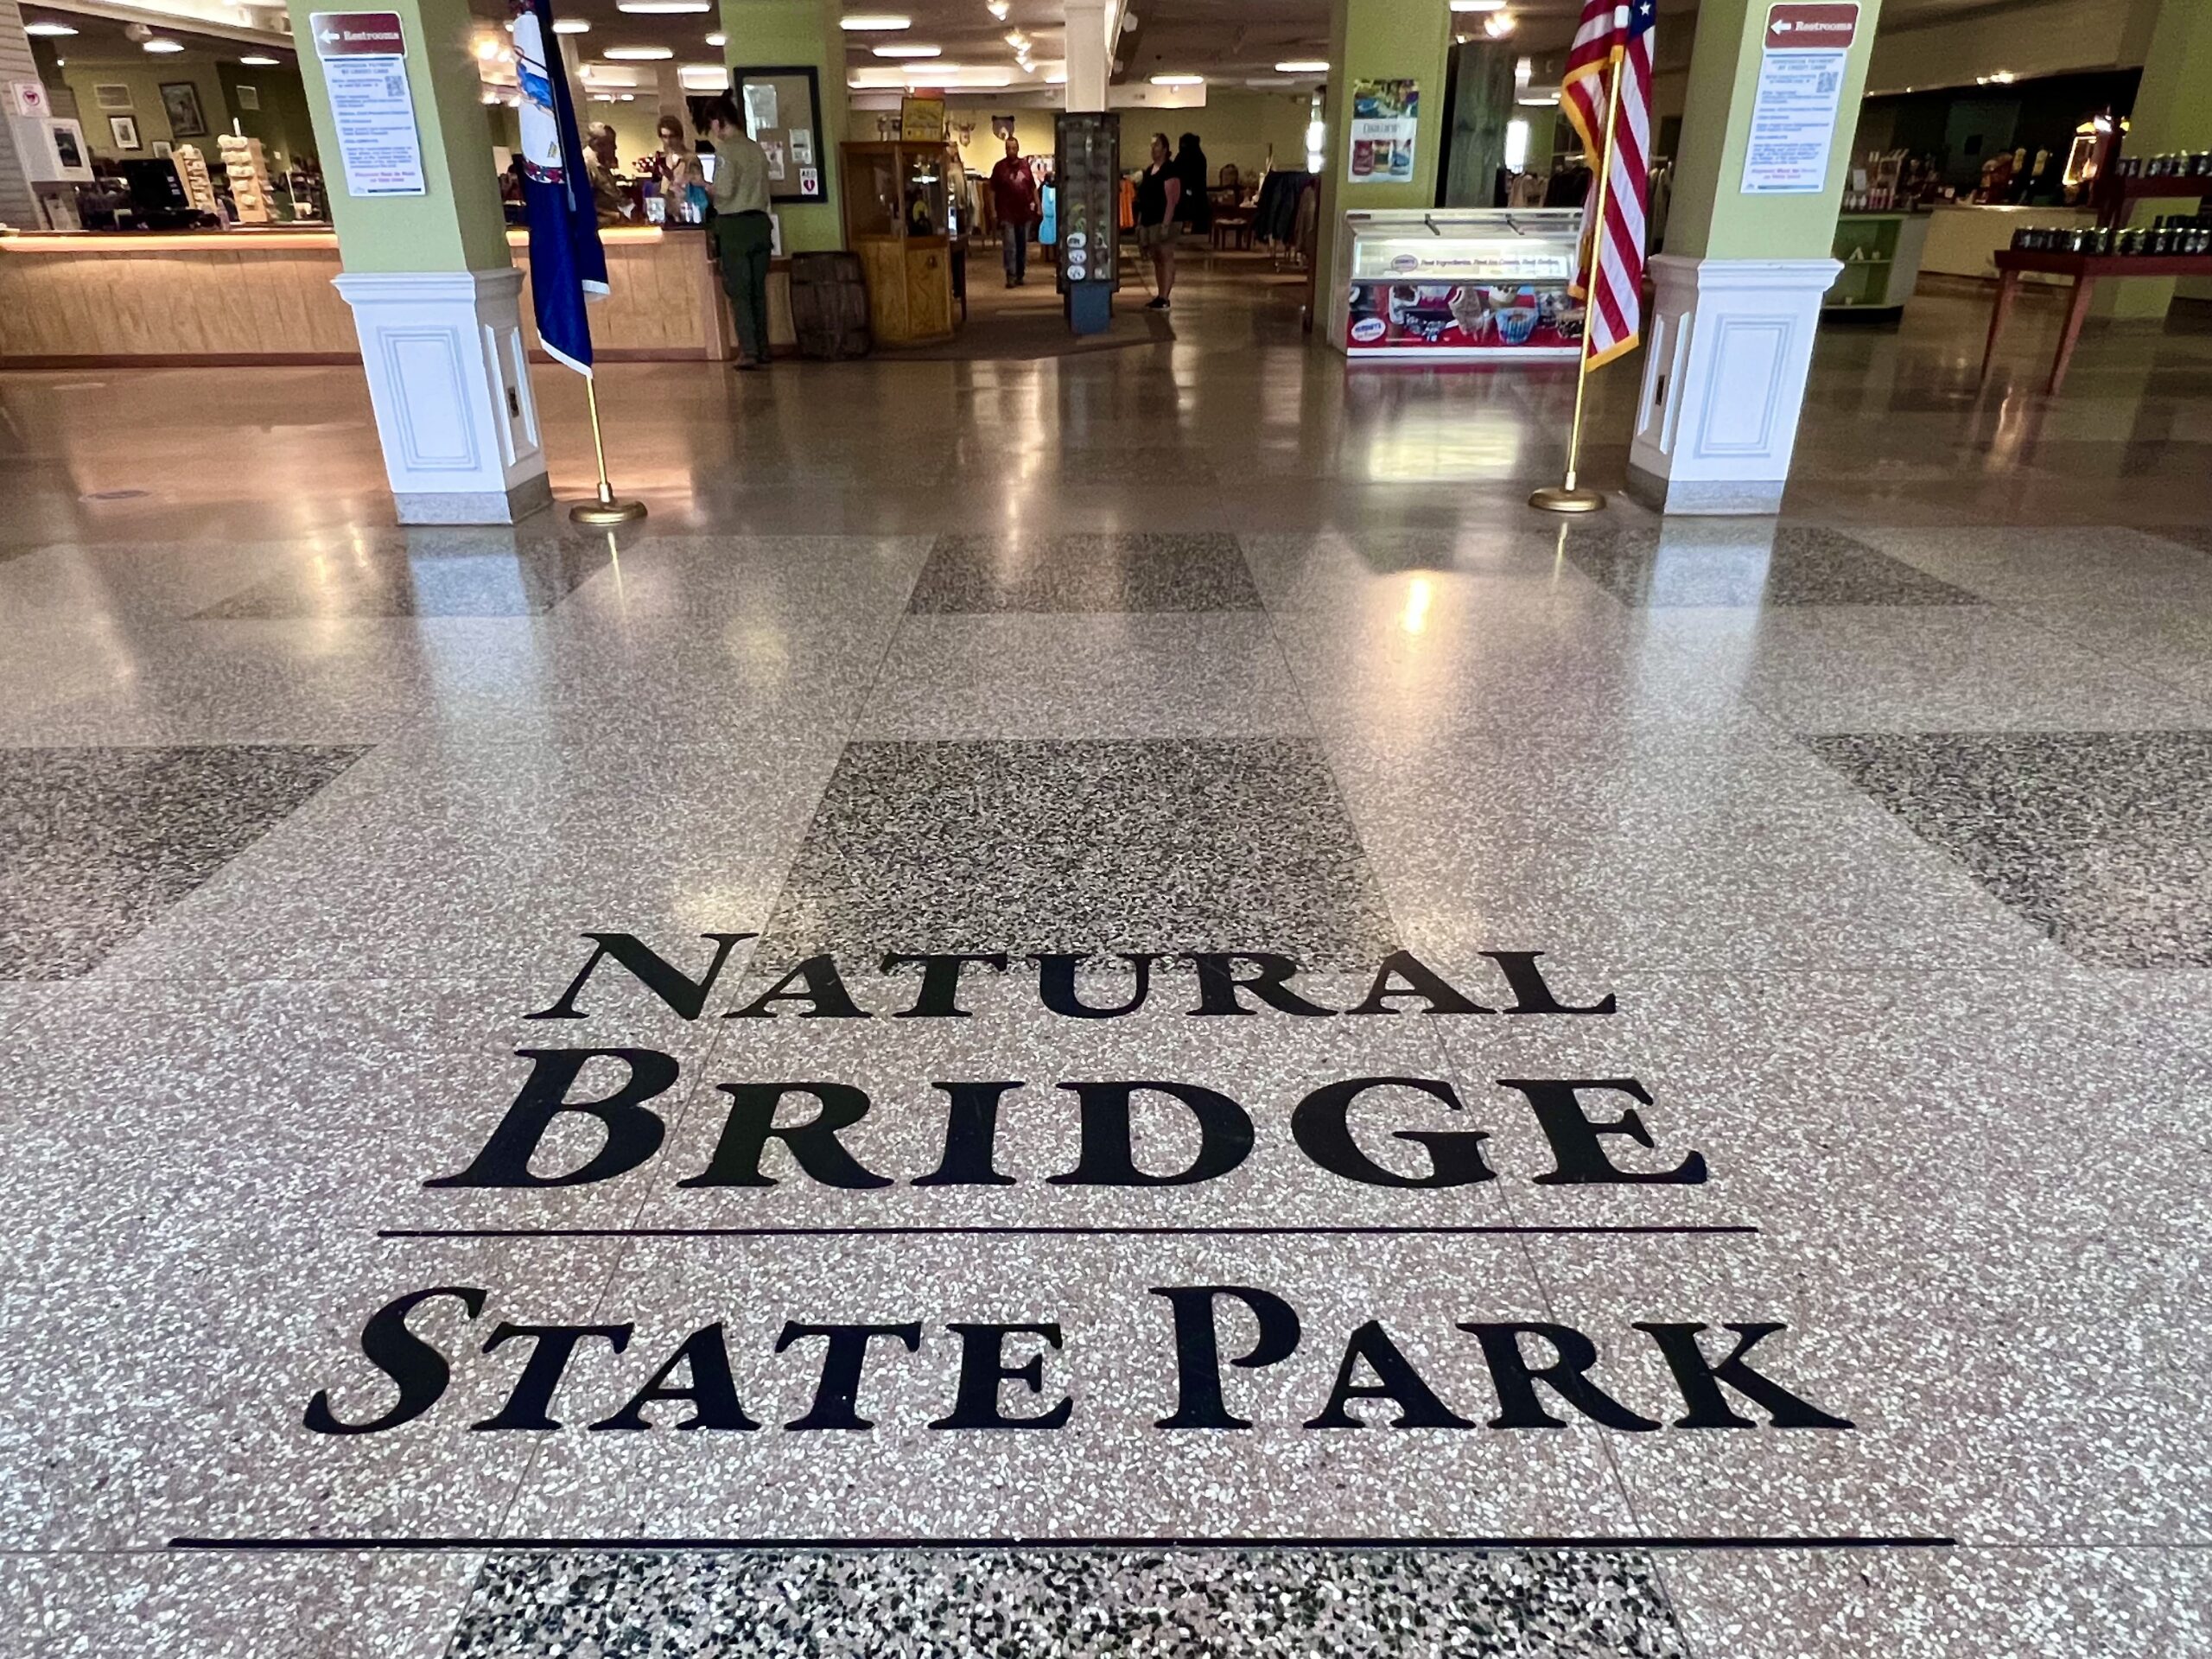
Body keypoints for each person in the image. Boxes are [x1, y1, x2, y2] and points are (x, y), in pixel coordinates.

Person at [698, 96, 774, 369]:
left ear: (718, 122)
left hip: (735, 227)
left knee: (740, 292)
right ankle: (763, 348)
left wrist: (701, 183)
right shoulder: (756, 150)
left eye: (711, 125)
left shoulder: (726, 151)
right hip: (760, 225)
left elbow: (725, 190)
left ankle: (749, 352)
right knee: (757, 291)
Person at [1135, 131, 1181, 310]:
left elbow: (1172, 199)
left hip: (1165, 220)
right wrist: (1140, 223)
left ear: (1165, 149)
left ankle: (1165, 296)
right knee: (1156, 258)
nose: (1153, 149)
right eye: (1152, 145)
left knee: (1165, 255)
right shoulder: (1148, 171)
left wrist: (1165, 224)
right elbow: (1143, 199)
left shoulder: (1171, 170)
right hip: (1149, 219)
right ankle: (1160, 294)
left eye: (1157, 145)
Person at [988, 131, 1039, 287]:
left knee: (1022, 245)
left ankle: (1020, 274)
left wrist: (1039, 206)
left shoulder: (1025, 165)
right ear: (1005, 149)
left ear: (1018, 149)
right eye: (1008, 148)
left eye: (1014, 148)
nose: (1011, 151)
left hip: (1024, 213)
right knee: (1010, 246)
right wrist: (993, 211)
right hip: (1007, 213)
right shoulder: (999, 167)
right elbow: (992, 191)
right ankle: (1010, 274)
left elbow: (1033, 187)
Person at [652, 114, 704, 221]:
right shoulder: (667, 159)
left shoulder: (690, 159)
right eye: (664, 137)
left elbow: (696, 186)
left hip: (687, 214)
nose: (668, 141)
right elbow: (664, 190)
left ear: (679, 137)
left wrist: (673, 179)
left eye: (672, 136)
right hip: (669, 213)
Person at [582, 122, 628, 226]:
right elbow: (584, 203)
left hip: (615, 223)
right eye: (611, 143)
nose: (615, 147)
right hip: (601, 228)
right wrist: (615, 215)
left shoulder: (602, 164)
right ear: (598, 144)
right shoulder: (586, 164)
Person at [1174, 132, 1211, 237]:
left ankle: (1197, 229)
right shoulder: (1195, 155)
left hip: (1193, 189)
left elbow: (1195, 176)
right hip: (1187, 189)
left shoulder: (1194, 156)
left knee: (1192, 208)